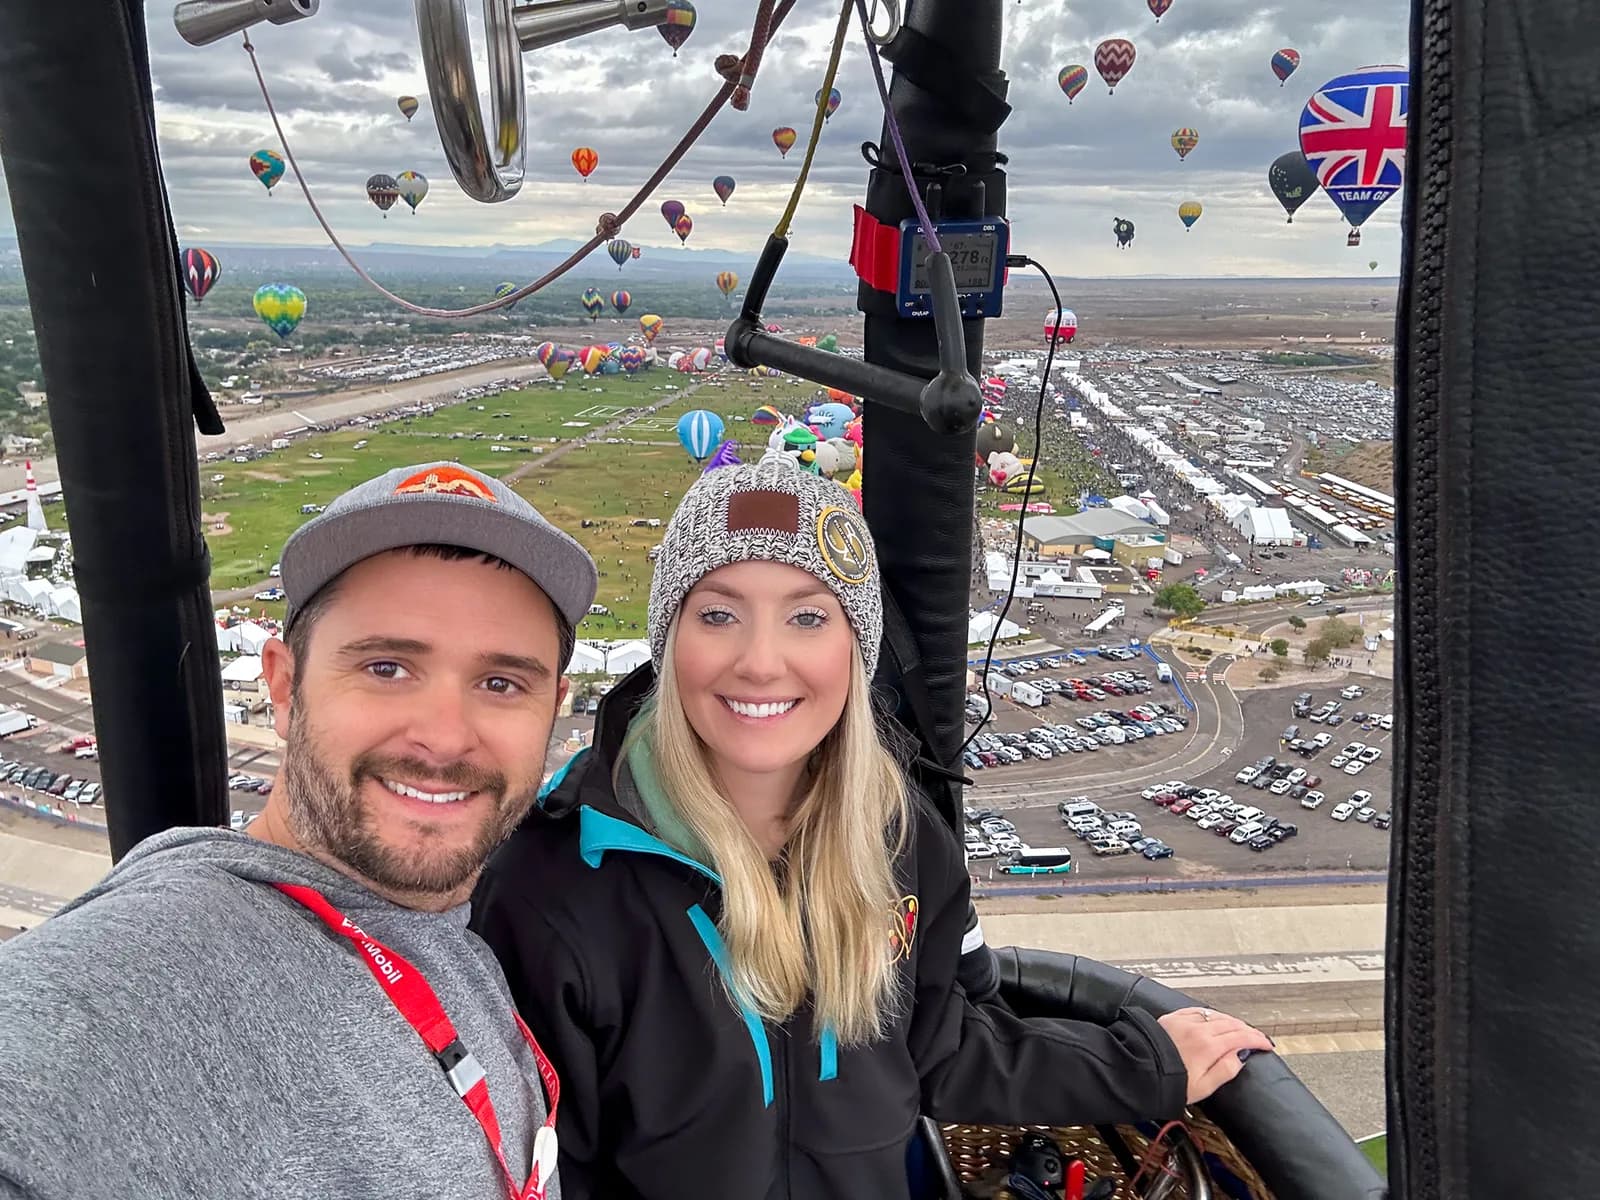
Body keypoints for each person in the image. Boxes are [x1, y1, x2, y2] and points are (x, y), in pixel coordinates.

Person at [472, 454, 1271, 1200]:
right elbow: (543, 1162)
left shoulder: (902, 837)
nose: (760, 661)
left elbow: (945, 1048)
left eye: (808, 619)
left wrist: (1146, 1067)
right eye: (717, 614)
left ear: (856, 646)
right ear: (668, 638)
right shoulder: (553, 884)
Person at [0, 462, 598, 1200]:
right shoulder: (162, 971)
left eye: (501, 684)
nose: (445, 739)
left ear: (556, 707)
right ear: (283, 687)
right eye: (387, 667)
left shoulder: (445, 936)